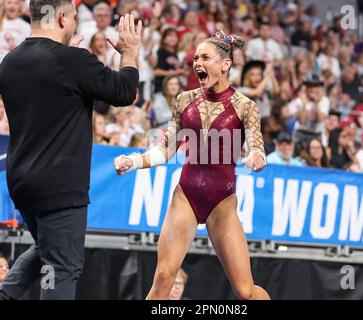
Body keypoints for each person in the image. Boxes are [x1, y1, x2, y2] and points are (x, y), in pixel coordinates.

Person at [0, 0, 141, 300]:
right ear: (62, 18)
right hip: (58, 185)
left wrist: (73, 58)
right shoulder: (72, 61)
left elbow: (52, 89)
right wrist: (130, 53)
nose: (76, 23)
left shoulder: (9, 62)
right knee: (61, 267)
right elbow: (124, 92)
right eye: (75, 17)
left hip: (22, 184)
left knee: (47, 248)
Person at [114, 31, 270, 300]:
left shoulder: (245, 106)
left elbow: (258, 149)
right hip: (186, 195)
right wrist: (134, 161)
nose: (197, 62)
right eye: (196, 57)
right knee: (163, 278)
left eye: (206, 57)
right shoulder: (184, 100)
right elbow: (165, 149)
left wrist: (255, 158)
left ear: (225, 64)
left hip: (221, 202)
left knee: (246, 291)